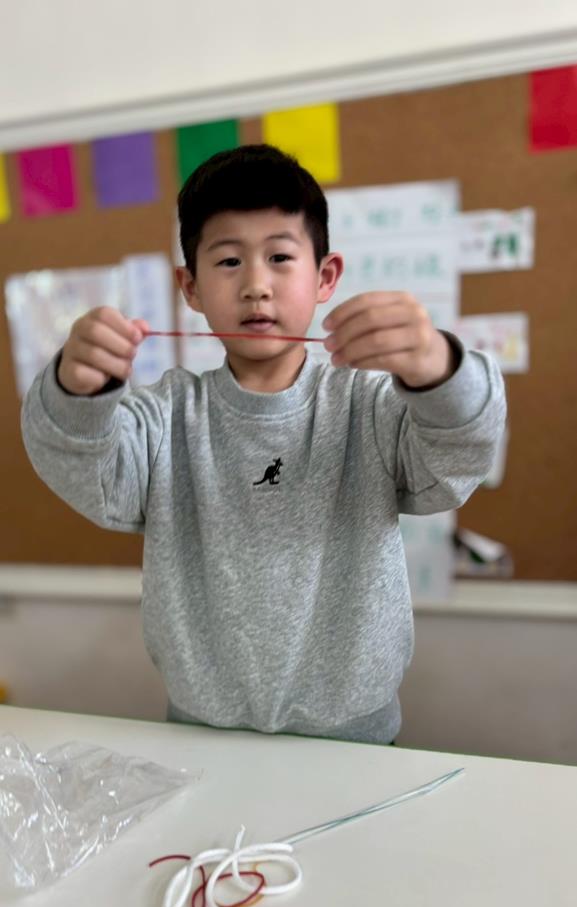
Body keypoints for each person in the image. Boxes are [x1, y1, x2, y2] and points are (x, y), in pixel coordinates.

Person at [21, 144, 506, 745]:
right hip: (203, 737)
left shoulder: (371, 404)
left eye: (280, 256)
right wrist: (74, 390)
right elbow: (82, 468)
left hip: (357, 741)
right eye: (228, 261)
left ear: (325, 277)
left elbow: (458, 456)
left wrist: (440, 369)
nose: (255, 285)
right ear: (190, 287)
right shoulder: (164, 417)